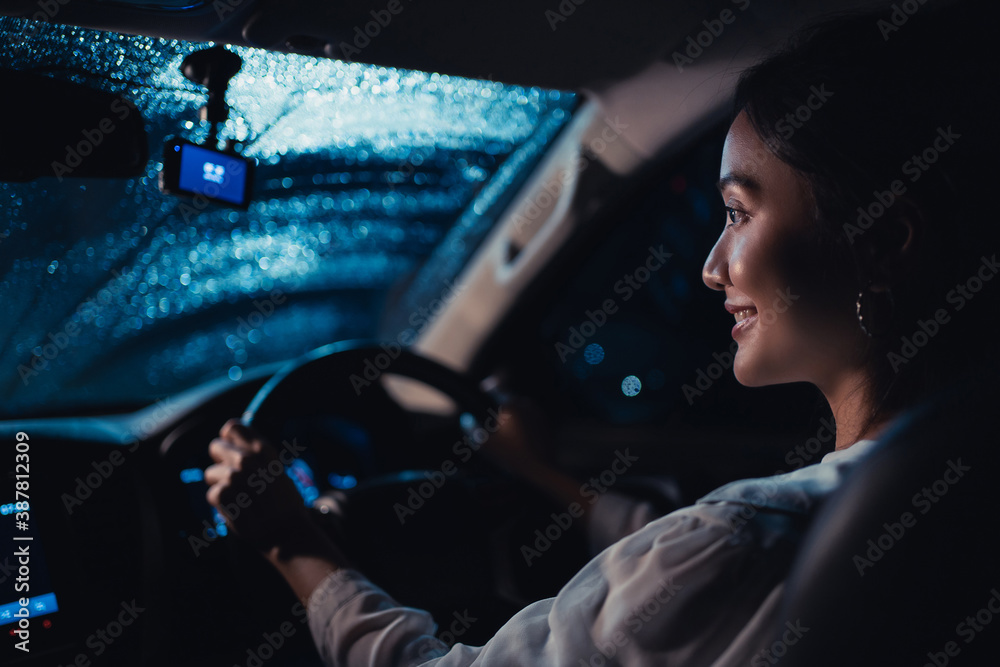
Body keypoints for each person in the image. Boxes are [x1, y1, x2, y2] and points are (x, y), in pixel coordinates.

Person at [205, 3, 1000, 664]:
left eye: (738, 212)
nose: (711, 268)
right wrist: (542, 474)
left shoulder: (742, 540)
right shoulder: (939, 501)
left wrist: (292, 543)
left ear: (885, 243)